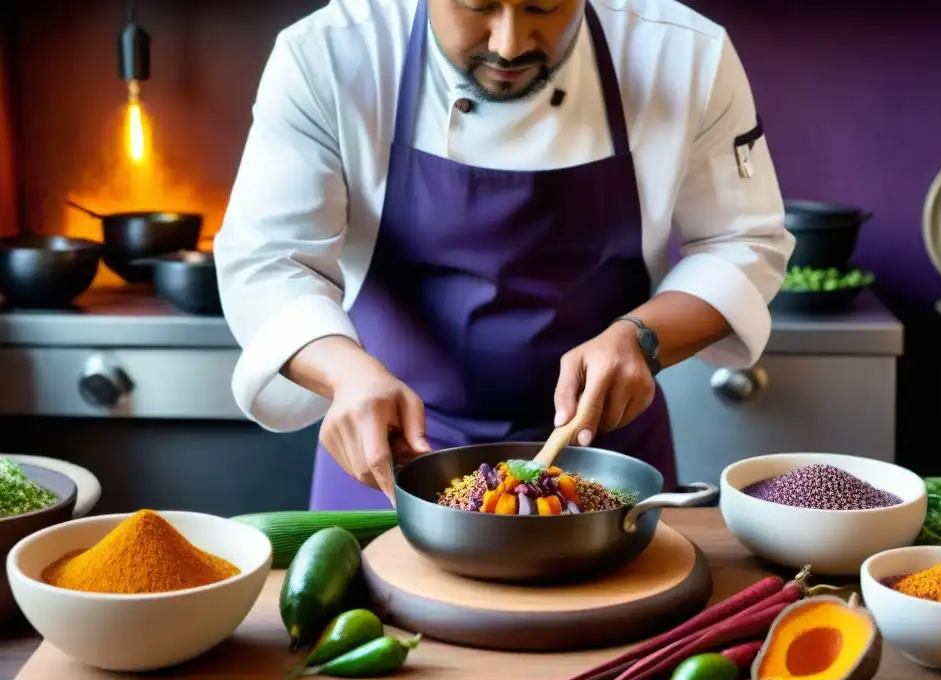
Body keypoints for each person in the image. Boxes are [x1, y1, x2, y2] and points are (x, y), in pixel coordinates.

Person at [214, 0, 794, 510]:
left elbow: (742, 242)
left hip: (605, 460)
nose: (509, 43)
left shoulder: (684, 53)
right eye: (478, 5)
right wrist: (345, 375)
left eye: (543, 8)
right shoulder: (330, 56)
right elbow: (269, 261)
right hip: (388, 459)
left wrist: (642, 336)